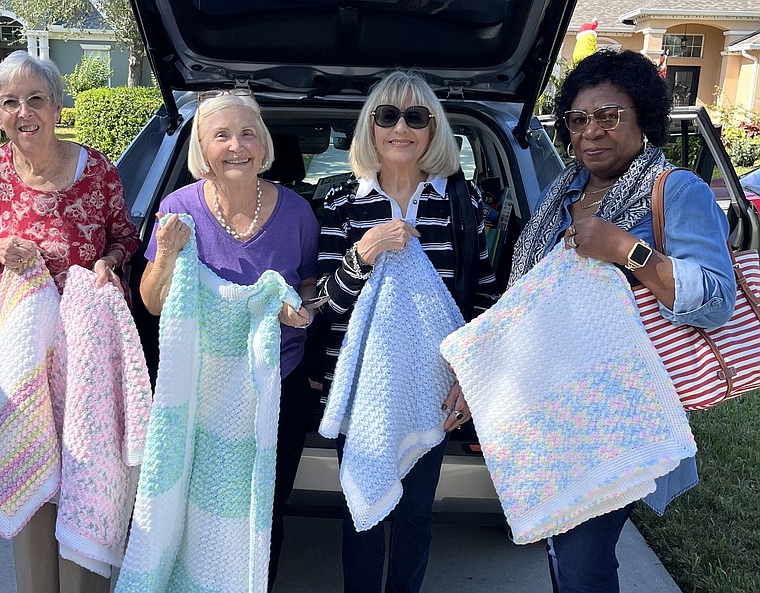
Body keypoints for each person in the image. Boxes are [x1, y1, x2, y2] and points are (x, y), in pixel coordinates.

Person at [508, 49, 736, 593]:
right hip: (554, 403)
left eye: (609, 116)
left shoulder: (677, 190)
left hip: (622, 413)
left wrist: (625, 249)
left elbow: (717, 299)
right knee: (564, 548)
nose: (591, 132)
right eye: (578, 119)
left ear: (643, 120)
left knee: (581, 554)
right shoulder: (561, 194)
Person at [0, 51, 140, 593]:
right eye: (10, 102)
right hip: (24, 346)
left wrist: (108, 262)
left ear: (58, 105)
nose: (24, 111)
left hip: (84, 351)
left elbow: (125, 238)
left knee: (86, 463)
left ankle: (84, 576)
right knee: (26, 455)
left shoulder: (98, 169)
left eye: (36, 98)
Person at [315, 70, 497, 593]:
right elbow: (326, 305)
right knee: (362, 513)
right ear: (369, 128)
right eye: (387, 116)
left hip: (435, 389)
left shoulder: (461, 205)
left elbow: (482, 298)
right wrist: (363, 252)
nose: (401, 128)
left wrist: (469, 380)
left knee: (417, 515)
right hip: (361, 389)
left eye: (415, 117)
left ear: (432, 129)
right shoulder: (340, 204)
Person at [137, 89, 320, 590]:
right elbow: (153, 302)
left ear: (263, 145)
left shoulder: (299, 213)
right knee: (199, 508)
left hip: (277, 387)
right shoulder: (178, 208)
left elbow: (307, 284)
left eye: (247, 134)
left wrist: (301, 310)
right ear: (202, 148)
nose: (235, 145)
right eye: (221, 135)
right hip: (203, 389)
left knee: (264, 509)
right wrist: (169, 253)